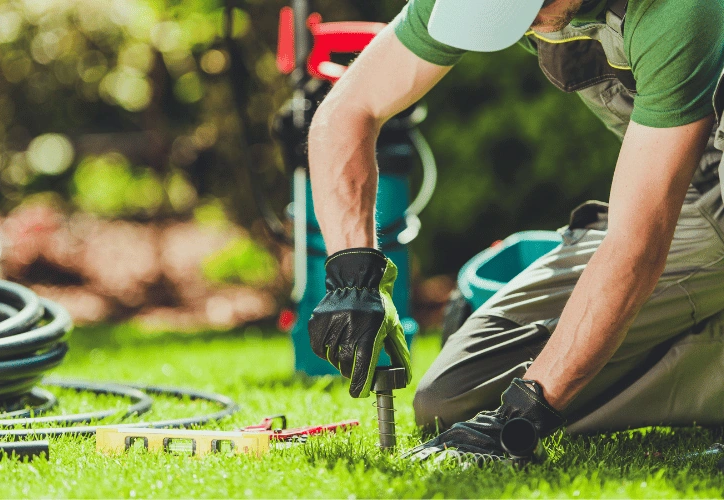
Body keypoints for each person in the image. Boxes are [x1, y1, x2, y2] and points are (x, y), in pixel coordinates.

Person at [305, 0, 724, 460]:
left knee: (525, 397)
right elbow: (347, 109)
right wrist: (353, 277)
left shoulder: (679, 10)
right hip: (684, 202)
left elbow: (637, 243)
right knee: (452, 398)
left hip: (689, 211)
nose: (518, 23)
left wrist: (526, 413)